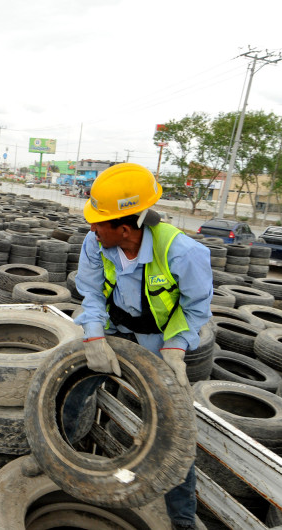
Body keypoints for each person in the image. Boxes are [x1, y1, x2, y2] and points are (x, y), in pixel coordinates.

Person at [73, 163, 213, 530]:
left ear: (124, 228)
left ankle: (182, 519)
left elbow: (197, 307)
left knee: (173, 425)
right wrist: (92, 333)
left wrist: (177, 347)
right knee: (74, 386)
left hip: (159, 340)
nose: (91, 228)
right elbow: (89, 290)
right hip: (113, 326)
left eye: (98, 222)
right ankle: (58, 456)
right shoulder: (96, 243)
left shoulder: (183, 252)